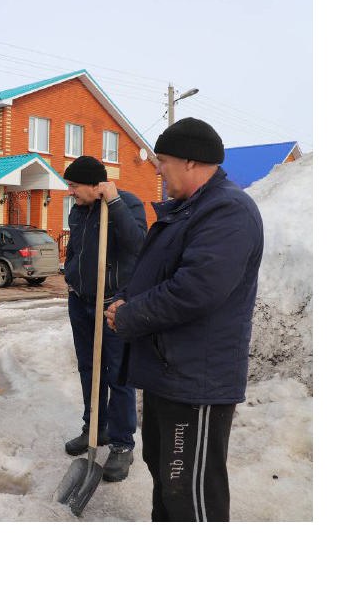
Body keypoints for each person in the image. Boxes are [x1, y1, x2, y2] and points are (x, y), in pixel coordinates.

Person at [104, 118, 264, 521]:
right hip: (169, 373)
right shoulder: (187, 211)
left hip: (197, 382)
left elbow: (197, 289)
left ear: (191, 162)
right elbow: (155, 272)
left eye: (163, 160)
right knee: (166, 482)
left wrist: (130, 316)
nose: (157, 168)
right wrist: (124, 299)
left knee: (190, 494)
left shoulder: (228, 211)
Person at [61, 155, 147, 482]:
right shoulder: (79, 210)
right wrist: (71, 275)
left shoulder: (126, 204)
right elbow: (76, 251)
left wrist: (114, 202)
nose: (70, 192)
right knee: (89, 369)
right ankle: (94, 428)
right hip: (81, 300)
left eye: (74, 185)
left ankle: (123, 444)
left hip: (112, 304)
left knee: (117, 374)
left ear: (96, 186)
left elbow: (139, 246)